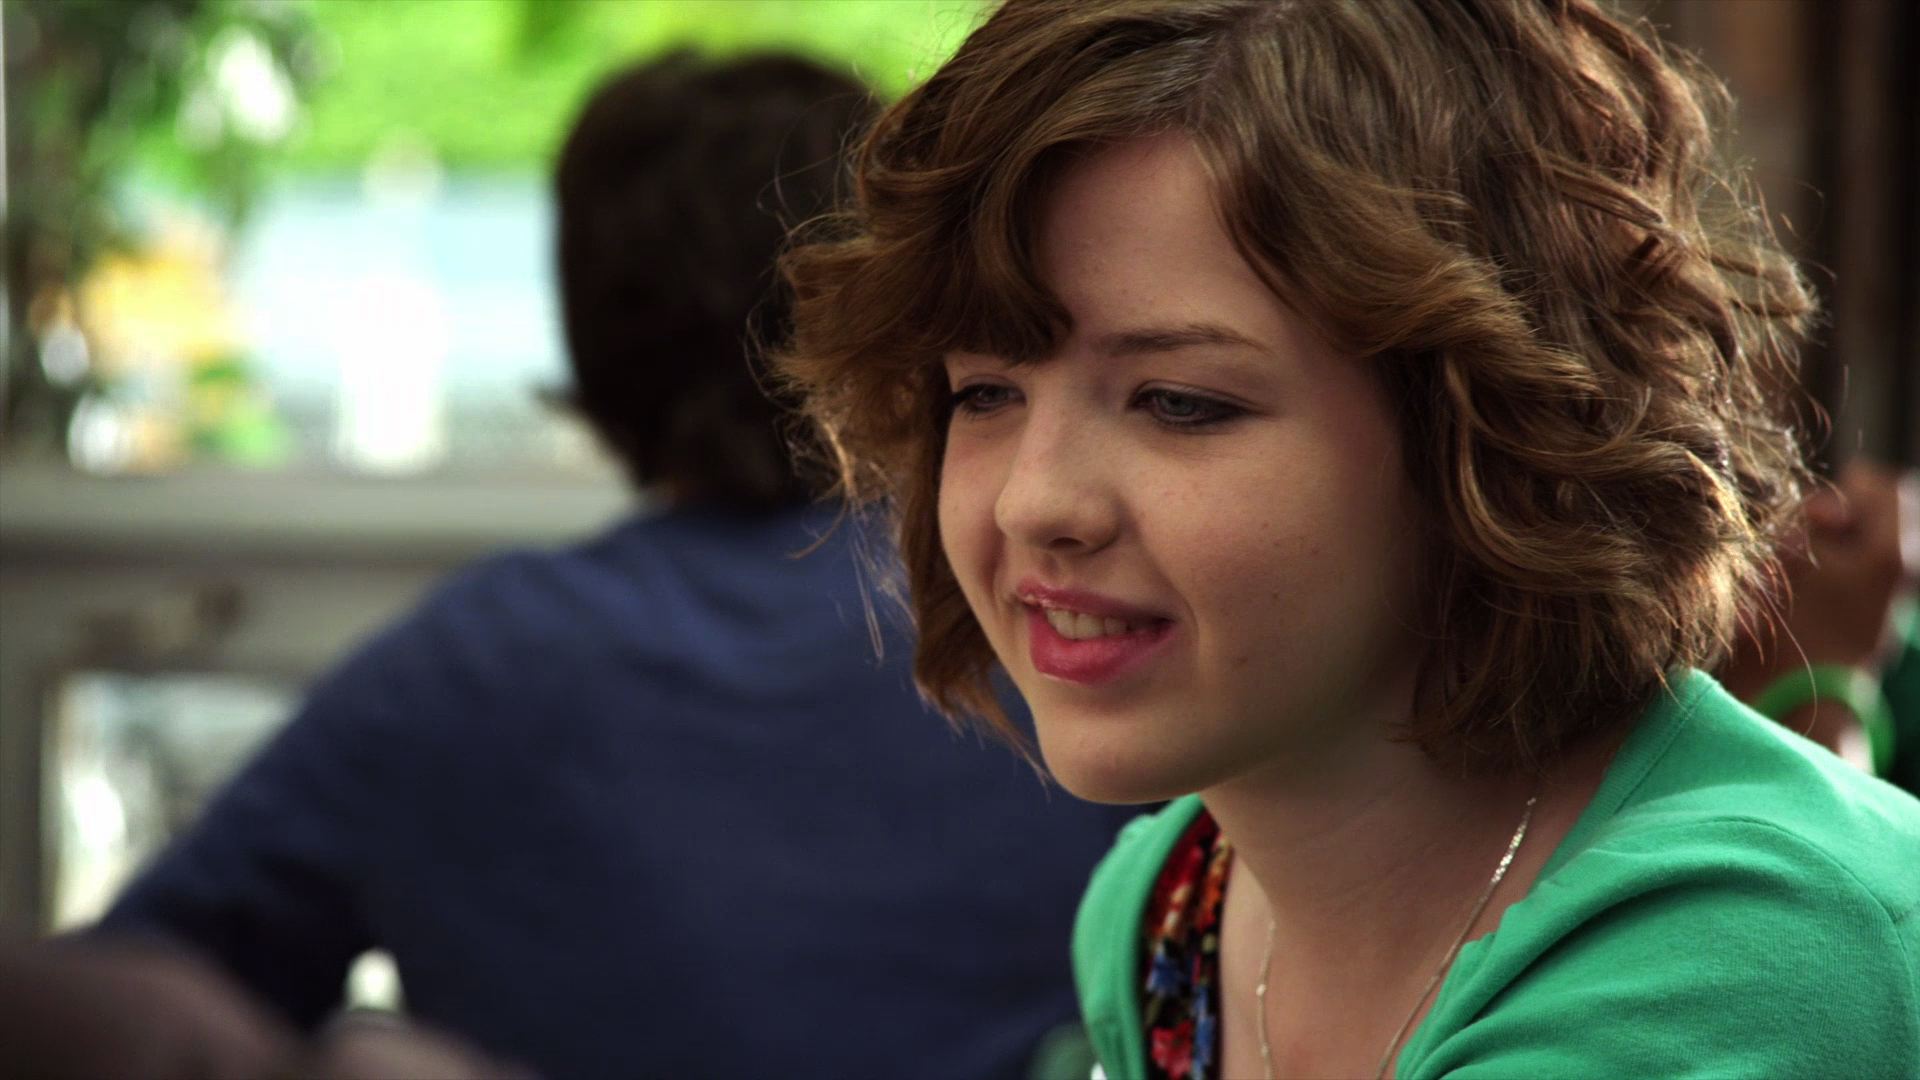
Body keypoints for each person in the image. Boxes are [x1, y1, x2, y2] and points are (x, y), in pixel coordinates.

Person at [770, 2, 1920, 1077]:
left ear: (1493, 431)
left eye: (1180, 402)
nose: (1033, 502)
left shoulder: (1740, 954)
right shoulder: (1170, 905)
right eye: (983, 392)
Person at [93, 52, 1132, 1080]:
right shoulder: (1052, 630)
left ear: (591, 331)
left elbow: (126, 997)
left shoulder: (471, 663)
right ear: (897, 319)